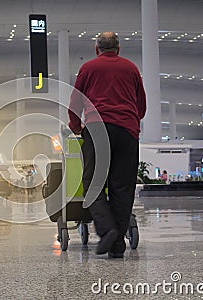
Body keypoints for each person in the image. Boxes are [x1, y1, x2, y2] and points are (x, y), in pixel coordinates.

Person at [68, 32, 146, 258]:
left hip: (97, 129)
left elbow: (75, 101)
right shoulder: (131, 68)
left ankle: (107, 229)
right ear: (118, 49)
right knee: (122, 187)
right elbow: (141, 104)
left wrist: (76, 127)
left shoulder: (89, 68)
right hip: (127, 132)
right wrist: (131, 122)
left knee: (93, 183)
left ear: (96, 49)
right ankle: (118, 245)